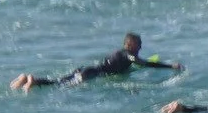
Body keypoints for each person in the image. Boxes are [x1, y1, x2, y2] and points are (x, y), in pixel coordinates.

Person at [11, 33, 180, 91]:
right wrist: (169, 66)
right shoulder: (128, 55)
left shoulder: (122, 54)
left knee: (58, 82)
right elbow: (143, 63)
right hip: (90, 74)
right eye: (138, 44)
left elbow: (137, 63)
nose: (141, 46)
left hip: (87, 70)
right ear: (130, 45)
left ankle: (28, 79)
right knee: (58, 86)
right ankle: (32, 81)